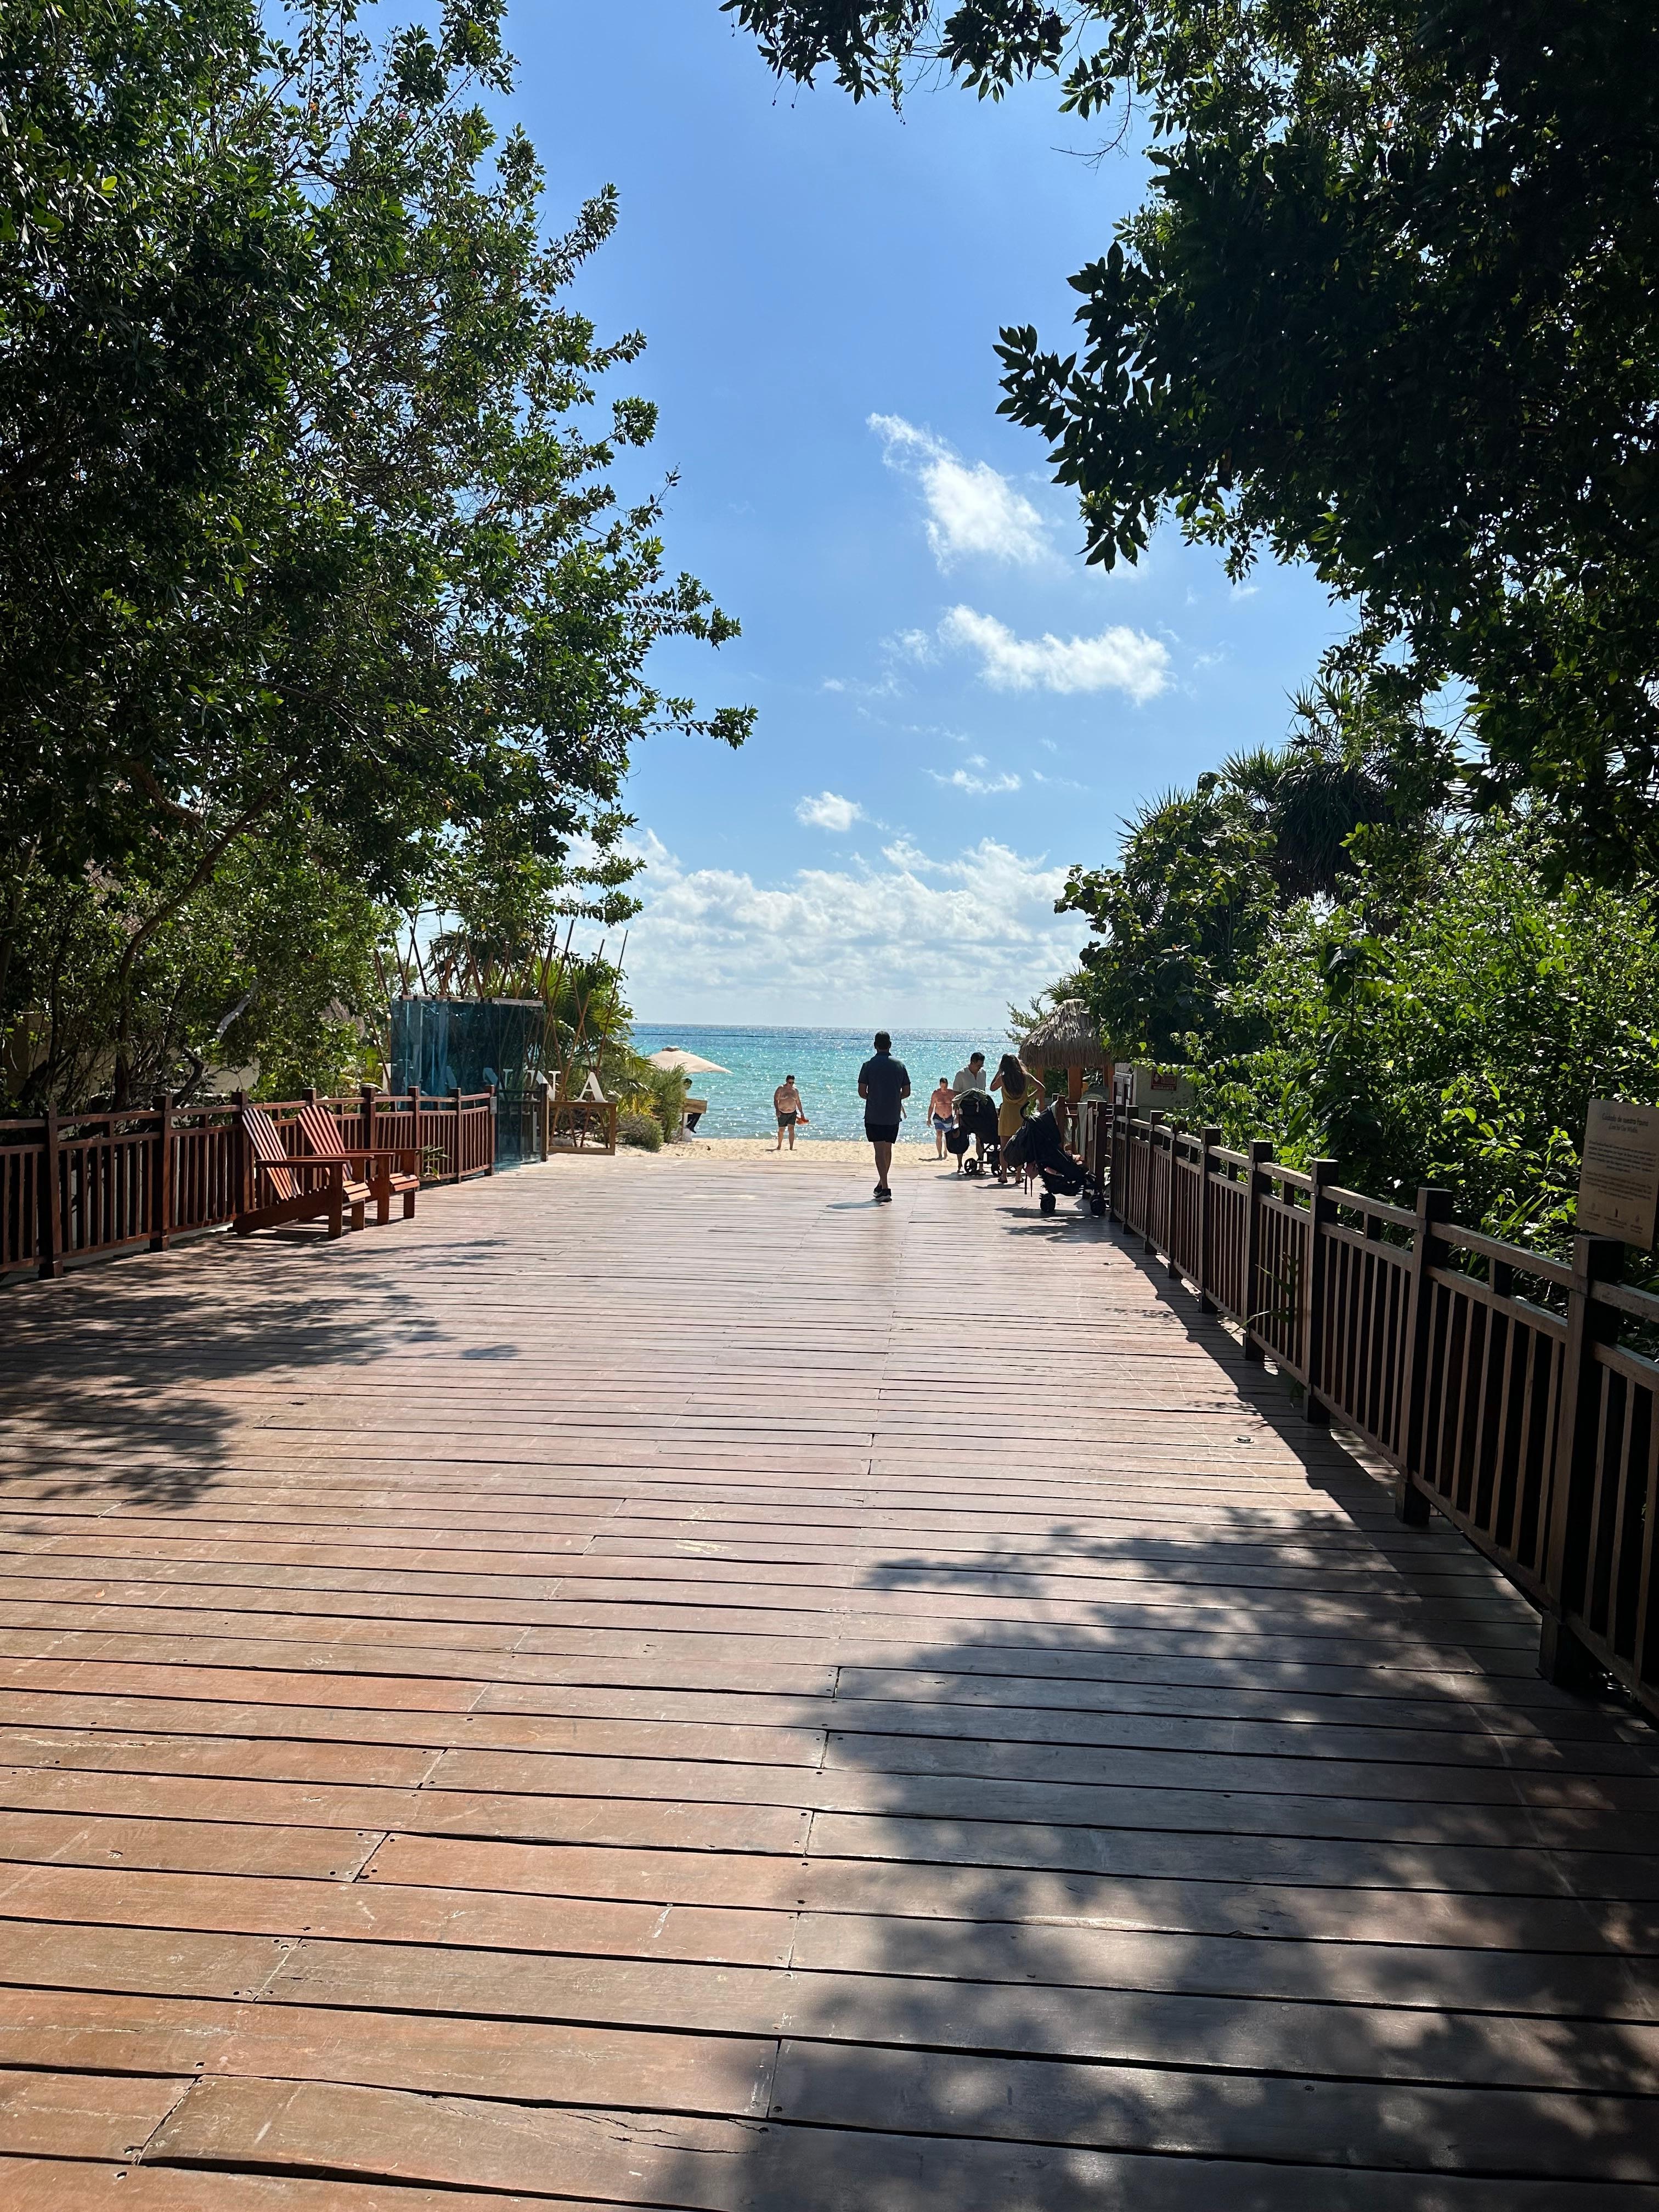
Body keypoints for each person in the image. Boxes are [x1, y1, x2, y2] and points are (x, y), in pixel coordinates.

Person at [857, 1030, 910, 1202]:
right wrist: (894, 1097)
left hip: (874, 1114)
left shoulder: (868, 1065)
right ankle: (881, 1183)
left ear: (875, 1045)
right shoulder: (900, 1065)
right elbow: (907, 1092)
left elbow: (862, 1092)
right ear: (890, 1045)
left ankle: (886, 1189)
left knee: (879, 1151)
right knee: (887, 1150)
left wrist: (875, 1097)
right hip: (893, 1115)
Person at [990, 1052, 1042, 1186]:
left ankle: (1004, 1175)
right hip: (1021, 1114)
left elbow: (992, 1088)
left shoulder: (1003, 1079)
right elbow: (1042, 1088)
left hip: (1007, 1114)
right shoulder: (1026, 1077)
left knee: (1004, 1148)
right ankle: (1019, 1175)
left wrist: (999, 1072)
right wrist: (1029, 1097)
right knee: (1019, 1146)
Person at [773, 1074, 807, 1152]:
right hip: (782, 1113)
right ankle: (779, 1146)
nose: (791, 1085)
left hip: (792, 1113)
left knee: (791, 1130)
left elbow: (798, 1102)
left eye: (793, 1083)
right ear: (786, 1081)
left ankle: (791, 1148)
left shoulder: (795, 1091)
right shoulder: (781, 1089)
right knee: (781, 1130)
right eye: (790, 1083)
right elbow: (776, 1100)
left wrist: (802, 1113)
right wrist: (777, 1110)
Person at [928, 1076, 955, 1159]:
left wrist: (957, 1116)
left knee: (947, 1136)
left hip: (949, 1117)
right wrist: (929, 1118)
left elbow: (956, 1105)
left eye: (946, 1086)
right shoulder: (936, 1094)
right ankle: (939, 1154)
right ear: (940, 1085)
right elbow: (932, 1106)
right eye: (943, 1086)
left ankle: (946, 1151)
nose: (944, 1088)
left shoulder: (951, 1093)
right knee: (939, 1134)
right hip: (938, 1117)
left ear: (947, 1085)